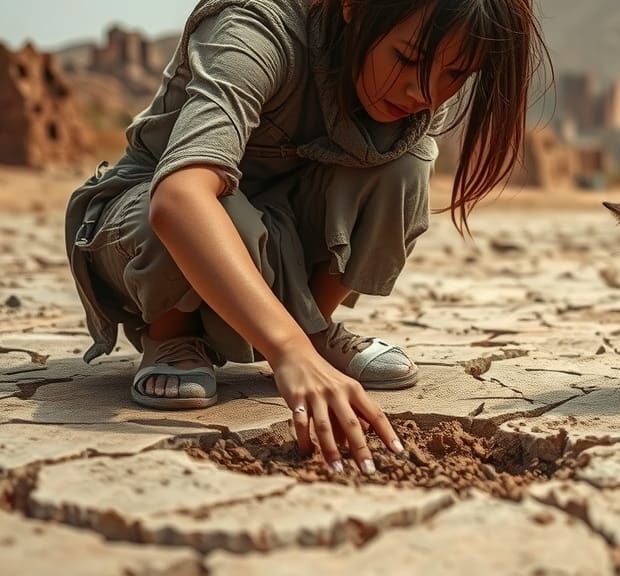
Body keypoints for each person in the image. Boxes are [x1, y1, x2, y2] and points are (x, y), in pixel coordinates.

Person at [64, 0, 549, 475]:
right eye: (406, 58)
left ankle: (314, 327)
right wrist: (285, 351)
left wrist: (301, 342)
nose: (423, 91)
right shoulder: (256, 26)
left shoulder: (419, 88)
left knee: (406, 161)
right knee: (195, 209)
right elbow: (179, 199)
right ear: (353, 7)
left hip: (275, 233)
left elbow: (402, 145)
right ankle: (171, 339)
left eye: (457, 75)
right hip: (152, 221)